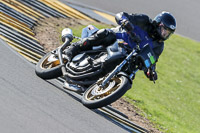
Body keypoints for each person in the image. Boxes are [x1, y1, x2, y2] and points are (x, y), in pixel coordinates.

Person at [64, 11, 176, 81]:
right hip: (115, 39)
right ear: (158, 23)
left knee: (131, 72)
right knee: (106, 34)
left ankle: (105, 88)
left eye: (168, 33)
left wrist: (150, 71)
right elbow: (121, 15)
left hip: (127, 54)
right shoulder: (144, 21)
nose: (165, 34)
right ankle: (73, 48)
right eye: (164, 29)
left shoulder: (159, 45)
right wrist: (126, 23)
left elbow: (152, 59)